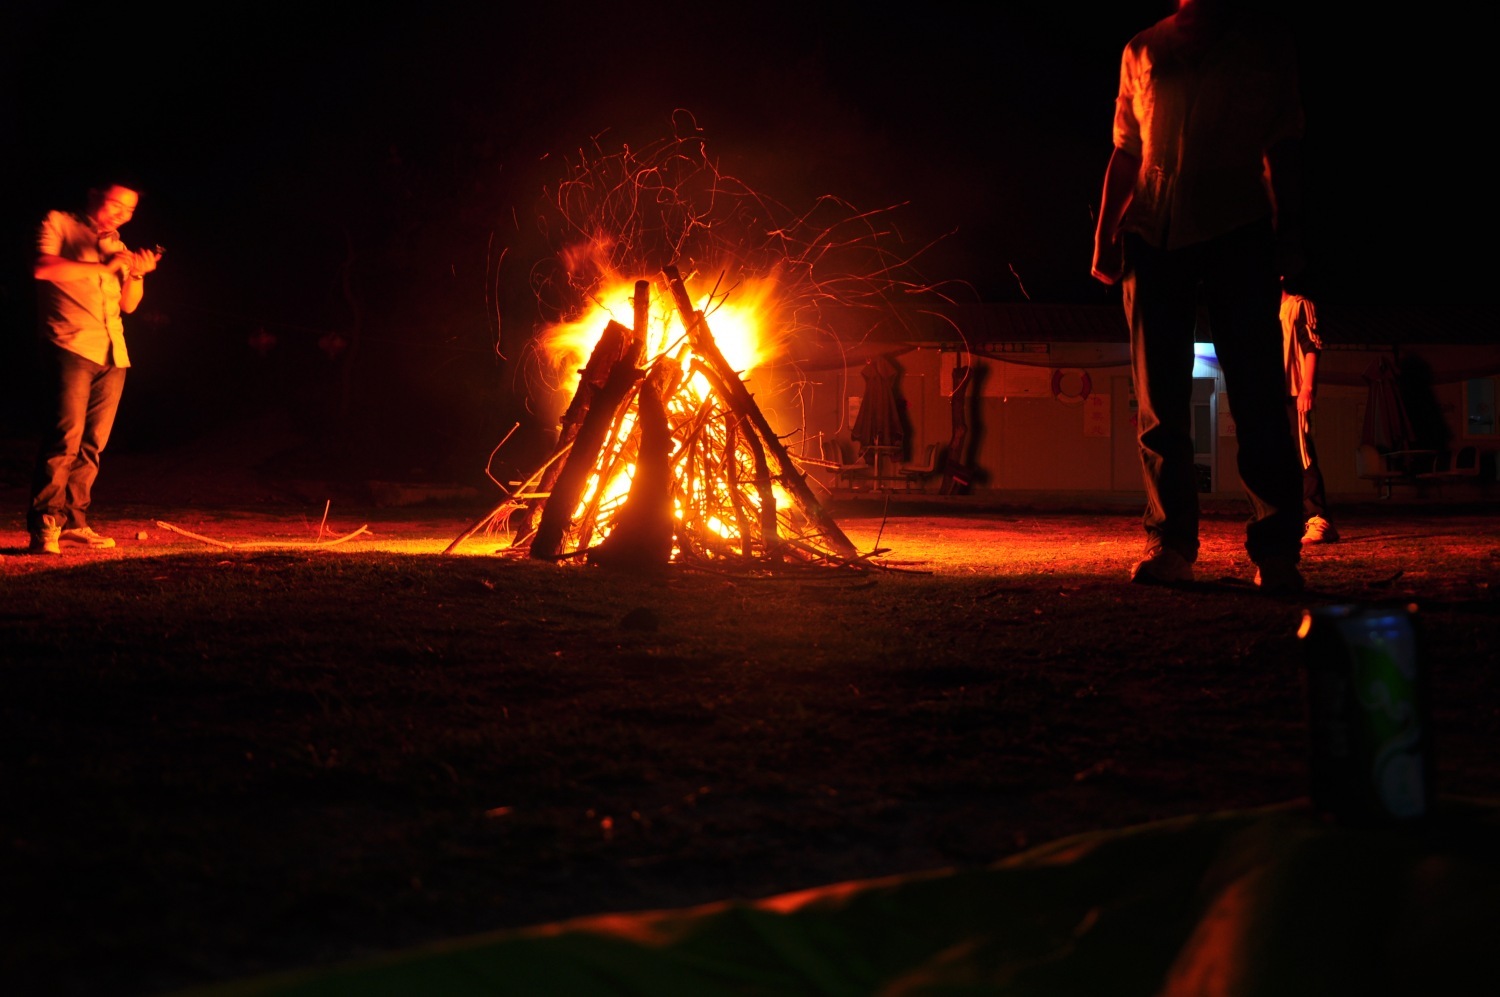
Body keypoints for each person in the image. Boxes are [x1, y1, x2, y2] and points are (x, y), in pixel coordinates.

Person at [1090, 0, 1309, 594]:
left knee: (1257, 393)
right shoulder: (1143, 49)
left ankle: (1276, 548)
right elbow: (1127, 148)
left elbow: (1283, 143)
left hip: (1238, 228)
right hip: (1153, 232)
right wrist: (1105, 235)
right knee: (1159, 400)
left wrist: (1290, 233)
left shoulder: (1263, 44)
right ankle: (1171, 543)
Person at [26, 181, 161, 555]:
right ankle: (45, 525)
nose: (122, 214)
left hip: (113, 352)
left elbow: (129, 305)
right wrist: (101, 265)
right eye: (116, 204)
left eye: (129, 210)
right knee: (64, 438)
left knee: (92, 446)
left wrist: (137, 274)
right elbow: (42, 268)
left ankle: (74, 522)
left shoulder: (119, 246)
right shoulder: (58, 223)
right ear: (94, 194)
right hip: (69, 344)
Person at [1281, 289, 1339, 544]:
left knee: (1302, 454)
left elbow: (1312, 346)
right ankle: (1291, 519)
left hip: (1294, 391)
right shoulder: (1261, 309)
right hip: (1271, 395)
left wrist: (1307, 387)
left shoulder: (1300, 305)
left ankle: (1319, 518)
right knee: (1280, 458)